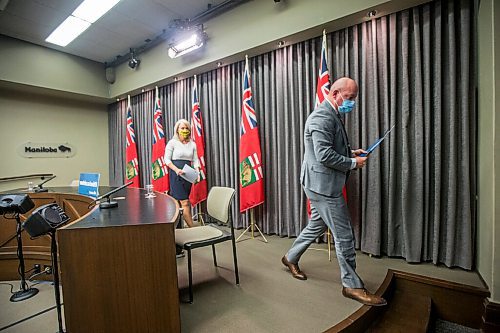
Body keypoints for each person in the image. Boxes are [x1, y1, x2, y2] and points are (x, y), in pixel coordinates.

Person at [281, 77, 387, 307]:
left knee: (316, 226)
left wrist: (351, 151)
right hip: (322, 186)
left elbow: (332, 145)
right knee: (344, 235)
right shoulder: (321, 116)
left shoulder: (333, 112)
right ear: (335, 93)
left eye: (354, 99)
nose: (352, 103)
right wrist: (353, 163)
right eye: (349, 98)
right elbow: (324, 155)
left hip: (319, 182)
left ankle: (290, 258)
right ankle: (352, 286)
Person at [165, 119, 200, 228]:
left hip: (188, 176)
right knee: (185, 203)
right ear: (177, 130)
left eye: (187, 128)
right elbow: (166, 160)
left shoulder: (193, 144)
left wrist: (197, 173)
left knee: (176, 202)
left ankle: (177, 228)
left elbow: (195, 160)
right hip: (176, 175)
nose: (185, 130)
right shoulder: (172, 143)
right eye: (182, 128)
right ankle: (192, 229)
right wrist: (176, 170)